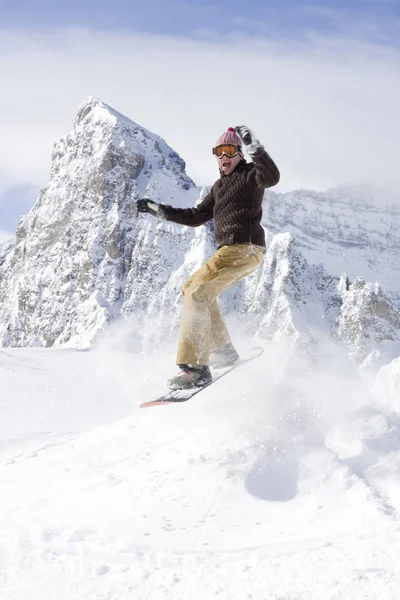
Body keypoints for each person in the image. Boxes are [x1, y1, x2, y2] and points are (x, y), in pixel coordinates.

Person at [137, 125, 280, 390]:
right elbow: (195, 217)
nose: (224, 157)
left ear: (239, 153)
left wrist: (255, 147)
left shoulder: (249, 175)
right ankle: (222, 349)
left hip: (244, 247)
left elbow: (271, 177)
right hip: (228, 251)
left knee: (197, 293)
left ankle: (195, 367)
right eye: (219, 152)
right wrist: (158, 210)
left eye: (230, 151)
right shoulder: (218, 188)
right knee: (191, 288)